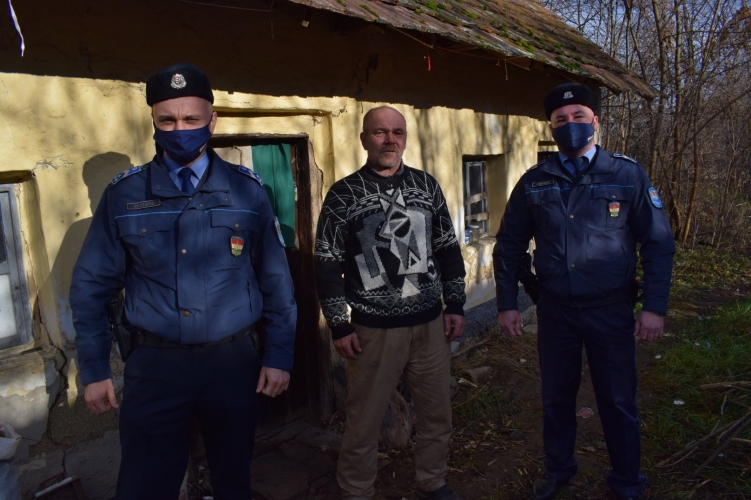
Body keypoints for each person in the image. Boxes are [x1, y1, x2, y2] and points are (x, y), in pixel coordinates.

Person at [70, 63, 297, 500]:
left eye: (191, 119)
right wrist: (94, 369)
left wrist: (280, 355)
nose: (180, 130)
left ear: (212, 120)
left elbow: (276, 282)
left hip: (232, 363)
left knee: (234, 480)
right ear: (153, 122)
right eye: (168, 120)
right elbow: (91, 288)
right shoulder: (124, 195)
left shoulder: (248, 191)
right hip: (155, 366)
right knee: (144, 485)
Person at [493, 83, 675, 500]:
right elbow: (509, 244)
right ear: (551, 127)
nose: (569, 124)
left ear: (595, 121)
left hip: (610, 310)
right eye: (560, 119)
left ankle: (627, 480)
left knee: (617, 399)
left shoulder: (626, 175)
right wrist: (507, 303)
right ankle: (558, 470)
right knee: (556, 399)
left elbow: (658, 242)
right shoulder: (535, 181)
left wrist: (655, 306)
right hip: (556, 311)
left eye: (578, 116)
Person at [314, 106, 466, 500]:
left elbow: (448, 249)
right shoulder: (343, 194)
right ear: (364, 139)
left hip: (430, 326)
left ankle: (432, 481)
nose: (389, 140)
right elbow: (327, 264)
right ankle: (356, 490)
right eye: (380, 132)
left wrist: (456, 305)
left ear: (405, 137)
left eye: (397, 132)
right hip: (374, 332)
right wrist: (339, 324)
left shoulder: (426, 185)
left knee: (437, 414)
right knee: (363, 421)